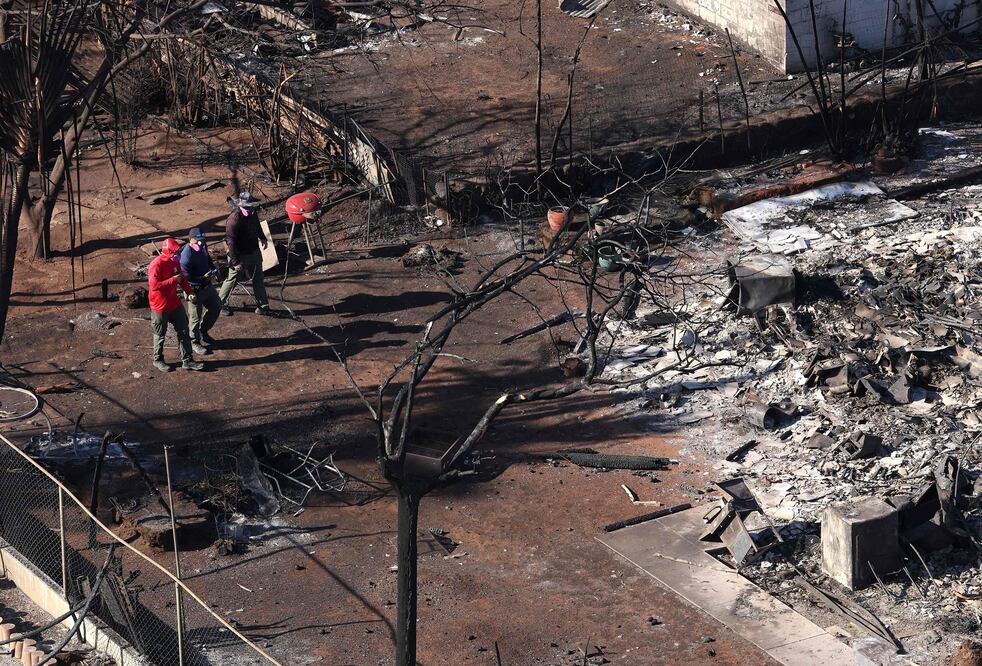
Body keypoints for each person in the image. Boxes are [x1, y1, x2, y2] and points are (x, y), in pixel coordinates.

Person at [149, 238, 204, 372]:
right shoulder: (156, 264)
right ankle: (158, 359)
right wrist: (172, 280)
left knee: (184, 330)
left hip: (174, 303)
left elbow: (181, 278)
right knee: (160, 334)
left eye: (178, 251)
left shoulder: (175, 261)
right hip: (160, 306)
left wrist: (189, 291)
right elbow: (154, 286)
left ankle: (187, 360)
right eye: (174, 252)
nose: (177, 254)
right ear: (167, 251)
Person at [218, 191, 271, 316]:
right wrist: (235, 262)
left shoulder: (252, 212)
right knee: (232, 279)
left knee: (258, 278)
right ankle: (220, 304)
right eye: (248, 207)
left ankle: (263, 305)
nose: (251, 209)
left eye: (252, 206)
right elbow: (231, 243)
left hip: (254, 251)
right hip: (239, 254)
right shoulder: (234, 219)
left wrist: (263, 238)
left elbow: (257, 225)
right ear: (241, 206)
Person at [180, 227, 221, 353]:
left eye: (203, 240)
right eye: (198, 240)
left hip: (207, 286)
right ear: (190, 239)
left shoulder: (203, 246)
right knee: (195, 317)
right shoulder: (186, 256)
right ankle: (194, 341)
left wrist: (213, 269)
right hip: (194, 290)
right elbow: (186, 278)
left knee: (216, 307)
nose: (201, 243)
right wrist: (202, 277)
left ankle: (203, 331)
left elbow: (207, 258)